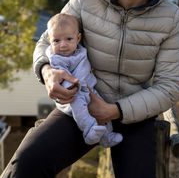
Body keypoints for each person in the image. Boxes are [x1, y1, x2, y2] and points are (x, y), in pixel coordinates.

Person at [1, 0, 179, 178]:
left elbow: (170, 86)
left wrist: (115, 110)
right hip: (80, 105)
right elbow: (45, 40)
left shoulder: (170, 16)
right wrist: (47, 70)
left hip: (133, 113)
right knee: (25, 165)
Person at [46, 12, 122, 147]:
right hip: (72, 95)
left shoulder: (80, 51)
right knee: (80, 109)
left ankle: (107, 136)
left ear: (78, 38)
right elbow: (63, 77)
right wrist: (74, 87)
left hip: (90, 89)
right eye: (56, 41)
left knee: (102, 107)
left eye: (69, 39)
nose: (63, 45)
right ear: (49, 40)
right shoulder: (56, 58)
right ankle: (88, 131)